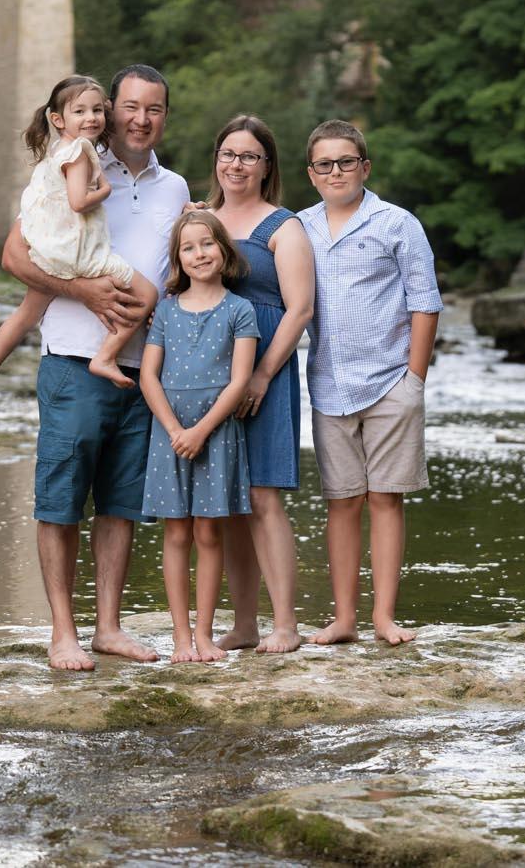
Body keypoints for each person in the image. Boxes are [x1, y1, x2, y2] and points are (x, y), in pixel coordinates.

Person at [0, 65, 190, 671]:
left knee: (120, 503)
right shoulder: (76, 163)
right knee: (61, 499)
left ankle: (108, 628)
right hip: (74, 361)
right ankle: (63, 633)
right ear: (109, 110)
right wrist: (80, 291)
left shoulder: (176, 189)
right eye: (129, 106)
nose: (139, 119)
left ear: (164, 116)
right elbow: (14, 254)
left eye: (153, 109)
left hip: (144, 370)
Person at [298, 119, 441, 647]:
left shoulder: (397, 223)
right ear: (311, 174)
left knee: (385, 499)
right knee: (342, 501)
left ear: (365, 167)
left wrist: (414, 380)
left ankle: (383, 616)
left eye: (346, 162)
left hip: (390, 383)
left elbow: (425, 302)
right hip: (329, 385)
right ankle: (343, 618)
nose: (336, 171)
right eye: (324, 164)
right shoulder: (300, 227)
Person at [0, 75, 160, 413]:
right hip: (79, 253)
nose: (92, 118)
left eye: (97, 110)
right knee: (146, 296)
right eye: (81, 111)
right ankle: (106, 356)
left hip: (51, 248)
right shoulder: (82, 153)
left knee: (26, 314)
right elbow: (77, 202)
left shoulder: (55, 153)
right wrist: (103, 190)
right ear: (58, 119)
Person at [206, 115, 313, 654]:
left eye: (249, 156)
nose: (236, 164)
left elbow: (300, 308)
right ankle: (243, 624)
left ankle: (285, 624)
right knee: (227, 501)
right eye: (228, 153)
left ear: (267, 166)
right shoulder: (203, 221)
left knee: (263, 493)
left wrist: (264, 374)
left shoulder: (284, 226)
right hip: (211, 368)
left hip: (267, 366)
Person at [139, 211, 260, 662]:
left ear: (224, 251)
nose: (199, 254)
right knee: (176, 535)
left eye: (207, 244)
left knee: (209, 534)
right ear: (178, 259)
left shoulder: (239, 310)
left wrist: (201, 431)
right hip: (170, 433)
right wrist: (175, 430)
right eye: (188, 248)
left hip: (217, 433)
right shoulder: (167, 310)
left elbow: (239, 380)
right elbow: (149, 376)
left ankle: (205, 634)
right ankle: (180, 638)